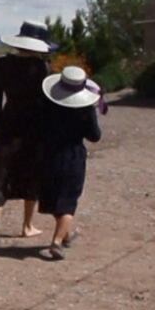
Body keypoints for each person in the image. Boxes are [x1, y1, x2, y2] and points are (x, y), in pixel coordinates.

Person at [0, 21, 54, 248]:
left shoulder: (2, 65)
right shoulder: (43, 68)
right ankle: (27, 225)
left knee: (2, 172)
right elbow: (49, 104)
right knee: (31, 174)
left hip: (8, 123)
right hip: (35, 126)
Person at [39, 66, 103, 260]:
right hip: (73, 157)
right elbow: (95, 136)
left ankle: (65, 235)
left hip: (50, 155)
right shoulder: (85, 109)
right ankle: (57, 242)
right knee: (68, 203)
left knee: (54, 198)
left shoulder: (49, 105)